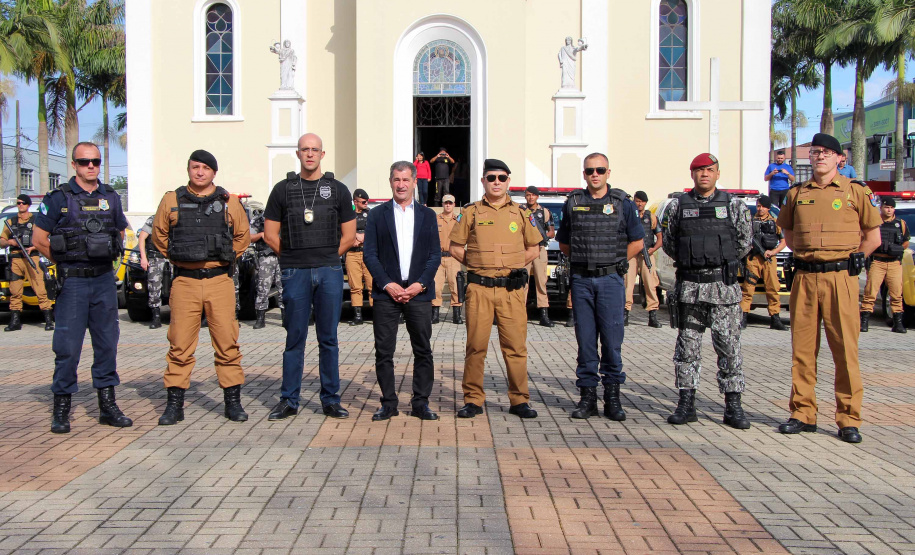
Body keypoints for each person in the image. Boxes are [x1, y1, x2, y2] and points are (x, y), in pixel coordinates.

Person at [776, 132, 882, 444]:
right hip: (806, 278)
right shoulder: (797, 194)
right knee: (803, 350)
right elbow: (792, 237)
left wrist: (853, 259)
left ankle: (849, 419)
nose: (820, 156)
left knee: (845, 351)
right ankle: (802, 412)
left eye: (826, 152)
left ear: (840, 158)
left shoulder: (855, 192)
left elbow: (872, 237)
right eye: (815, 152)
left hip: (841, 279)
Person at [32, 142, 132, 434]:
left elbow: (119, 232)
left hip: (102, 280)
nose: (91, 166)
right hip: (73, 281)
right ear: (74, 165)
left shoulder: (111, 197)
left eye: (96, 161)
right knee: (67, 347)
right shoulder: (58, 198)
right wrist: (64, 261)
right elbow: (39, 239)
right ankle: (62, 408)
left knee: (106, 344)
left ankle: (107, 406)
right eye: (84, 161)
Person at [152, 150, 251, 425]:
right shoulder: (171, 200)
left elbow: (242, 236)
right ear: (188, 170)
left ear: (214, 173)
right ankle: (174, 405)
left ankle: (233, 403)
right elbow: (159, 236)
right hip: (185, 282)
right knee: (179, 346)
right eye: (195, 167)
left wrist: (226, 255)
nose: (199, 172)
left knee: (227, 344)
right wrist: (180, 257)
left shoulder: (229, 201)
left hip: (220, 280)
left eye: (205, 168)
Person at [263, 133, 357, 421]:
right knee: (295, 338)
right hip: (295, 272)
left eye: (315, 149)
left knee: (328, 338)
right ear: (298, 153)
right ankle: (289, 399)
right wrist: (291, 258)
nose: (310, 154)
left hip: (329, 271)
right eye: (305, 149)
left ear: (323, 154)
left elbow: (350, 235)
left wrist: (329, 257)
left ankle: (330, 399)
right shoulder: (282, 190)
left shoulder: (338, 189)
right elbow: (269, 234)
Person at [662, 153, 753, 430]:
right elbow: (669, 243)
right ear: (692, 174)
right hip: (690, 288)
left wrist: (716, 260)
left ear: (717, 173)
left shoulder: (734, 205)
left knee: (728, 347)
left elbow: (744, 241)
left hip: (722, 288)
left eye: (709, 170)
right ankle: (686, 403)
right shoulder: (677, 206)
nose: (704, 174)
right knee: (687, 347)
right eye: (699, 170)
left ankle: (733, 405)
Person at [449, 159, 543, 419]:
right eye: (491, 178)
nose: (497, 182)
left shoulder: (522, 214)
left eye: (502, 178)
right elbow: (456, 247)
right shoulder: (471, 212)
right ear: (483, 181)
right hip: (479, 288)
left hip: (511, 291)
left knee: (515, 347)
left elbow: (534, 248)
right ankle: (473, 399)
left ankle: (519, 400)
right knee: (476, 346)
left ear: (508, 181)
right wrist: (479, 265)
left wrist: (510, 265)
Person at [557, 154, 644, 420]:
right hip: (582, 279)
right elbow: (564, 243)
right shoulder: (573, 202)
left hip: (610, 280)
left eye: (600, 170)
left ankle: (613, 399)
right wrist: (586, 261)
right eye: (590, 170)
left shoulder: (622, 203)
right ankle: (587, 399)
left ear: (608, 172)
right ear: (584, 174)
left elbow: (637, 242)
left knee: (611, 340)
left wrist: (614, 262)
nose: (595, 174)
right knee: (585, 342)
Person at [363, 161, 441, 421]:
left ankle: (421, 403)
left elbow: (433, 256)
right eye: (397, 179)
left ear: (415, 181)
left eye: (406, 179)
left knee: (423, 350)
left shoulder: (428, 215)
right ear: (390, 181)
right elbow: (370, 255)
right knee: (384, 351)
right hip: (387, 294)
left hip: (419, 293)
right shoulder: (377, 215)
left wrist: (420, 284)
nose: (401, 185)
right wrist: (387, 283)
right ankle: (388, 403)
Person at [1, 194, 53, 331]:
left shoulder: (36, 221)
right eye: (18, 203)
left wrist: (34, 247)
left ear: (28, 204)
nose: (20, 205)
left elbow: (45, 239)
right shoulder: (10, 222)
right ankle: (15, 320)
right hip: (16, 258)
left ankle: (48, 319)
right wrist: (9, 242)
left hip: (32, 257)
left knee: (39, 288)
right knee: (15, 291)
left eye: (23, 203)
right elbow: (1, 241)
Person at [861, 196, 909, 333]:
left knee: (896, 293)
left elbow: (905, 241)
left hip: (894, 263)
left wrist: (900, 248)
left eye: (892, 208)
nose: (889, 210)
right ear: (881, 207)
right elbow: (865, 238)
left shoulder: (901, 224)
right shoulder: (874, 222)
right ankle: (864, 321)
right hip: (878, 261)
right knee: (870, 292)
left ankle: (898, 322)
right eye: (887, 207)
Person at [739, 195, 787, 330]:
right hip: (753, 259)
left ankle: (775, 318)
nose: (760, 209)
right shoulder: (750, 223)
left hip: (769, 259)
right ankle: (744, 317)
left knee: (772, 288)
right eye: (758, 206)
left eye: (762, 206)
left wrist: (773, 252)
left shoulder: (775, 222)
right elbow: (743, 239)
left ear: (768, 208)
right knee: (748, 289)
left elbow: (784, 242)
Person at [624, 190, 663, 329]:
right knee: (628, 284)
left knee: (650, 284)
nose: (639, 204)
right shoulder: (629, 216)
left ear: (646, 203)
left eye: (642, 201)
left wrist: (653, 249)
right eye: (637, 201)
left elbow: (659, 237)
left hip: (647, 253)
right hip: (632, 255)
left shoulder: (651, 217)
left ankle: (652, 315)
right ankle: (626, 313)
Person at [520, 186, 556, 327]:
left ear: (537, 197)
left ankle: (544, 315)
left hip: (540, 249)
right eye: (528, 195)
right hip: (525, 249)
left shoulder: (544, 212)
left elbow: (551, 232)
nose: (530, 198)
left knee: (541, 282)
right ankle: (520, 314)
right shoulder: (521, 211)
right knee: (523, 281)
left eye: (533, 195)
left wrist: (539, 236)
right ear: (525, 196)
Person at [250, 204, 284, 329]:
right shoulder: (259, 219)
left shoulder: (285, 216)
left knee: (284, 288)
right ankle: (260, 318)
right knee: (262, 288)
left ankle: (285, 317)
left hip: (283, 257)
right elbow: (248, 237)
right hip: (265, 257)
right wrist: (261, 235)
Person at [433, 194, 463, 324]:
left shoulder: (459, 220)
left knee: (455, 286)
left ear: (454, 204)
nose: (448, 205)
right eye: (446, 203)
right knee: (435, 287)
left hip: (454, 258)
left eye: (450, 203)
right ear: (442, 204)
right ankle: (435, 314)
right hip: (438, 258)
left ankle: (456, 315)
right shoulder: (435, 219)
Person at [346, 189, 373, 325]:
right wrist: (354, 237)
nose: (366, 203)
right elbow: (342, 233)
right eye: (363, 202)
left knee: (372, 284)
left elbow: (375, 232)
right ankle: (358, 316)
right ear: (355, 201)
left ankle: (376, 315)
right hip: (352, 253)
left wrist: (361, 237)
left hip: (367, 253)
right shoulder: (348, 216)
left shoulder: (370, 214)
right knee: (355, 286)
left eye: (367, 201)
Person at [137, 215, 168, 329]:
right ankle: (156, 316)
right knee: (154, 286)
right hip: (156, 258)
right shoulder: (154, 219)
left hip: (173, 258)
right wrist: (143, 258)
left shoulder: (177, 217)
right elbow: (142, 238)